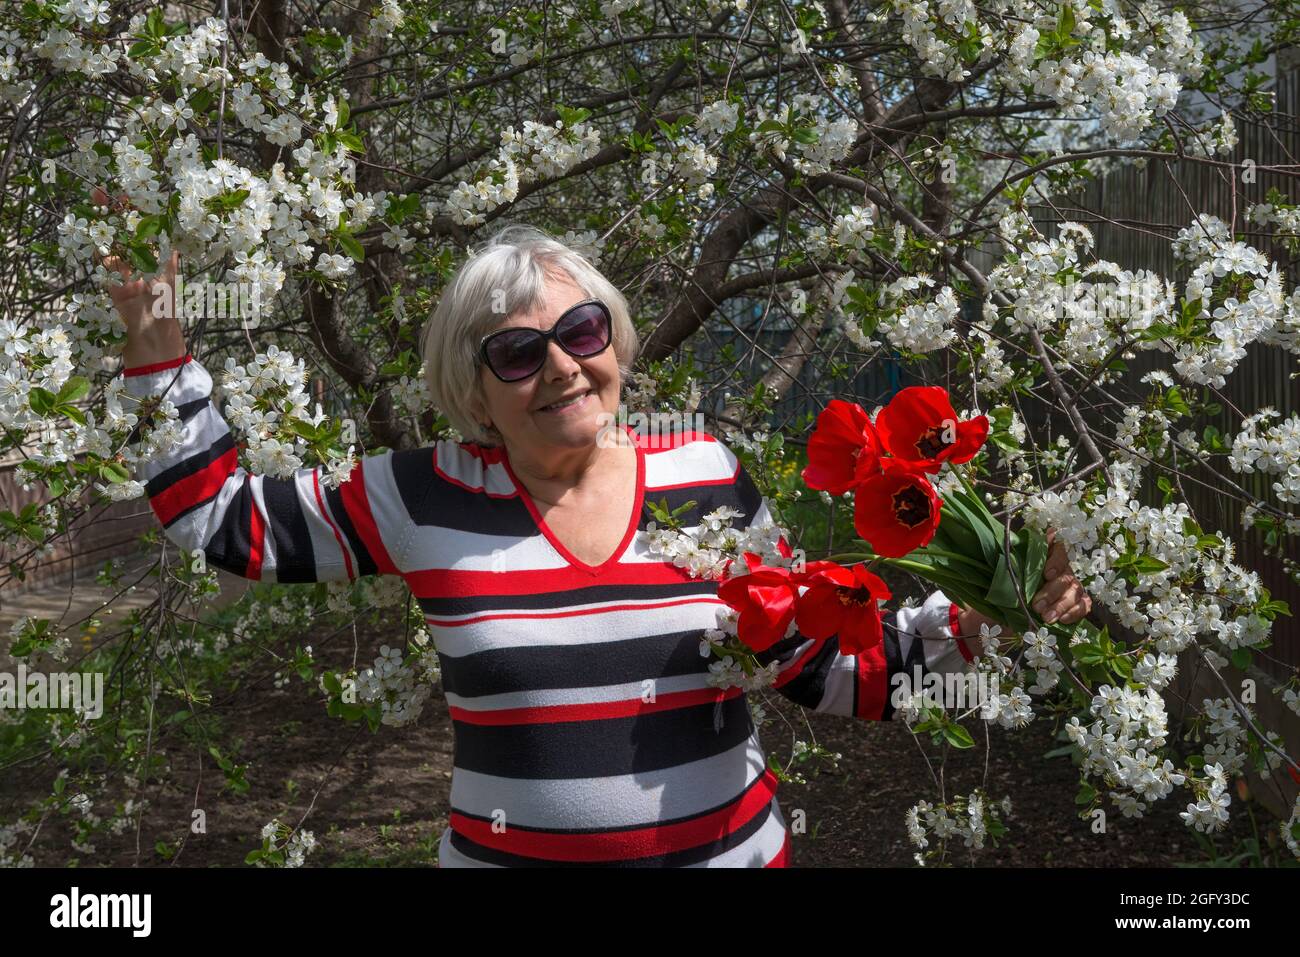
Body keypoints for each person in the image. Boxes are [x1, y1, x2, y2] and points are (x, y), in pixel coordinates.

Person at [103, 218, 1092, 867]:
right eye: (516, 352)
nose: (561, 369)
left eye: (580, 330)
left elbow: (822, 666)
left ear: (612, 338)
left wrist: (990, 618)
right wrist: (156, 350)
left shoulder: (701, 471)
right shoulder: (416, 494)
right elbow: (225, 524)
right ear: (474, 386)